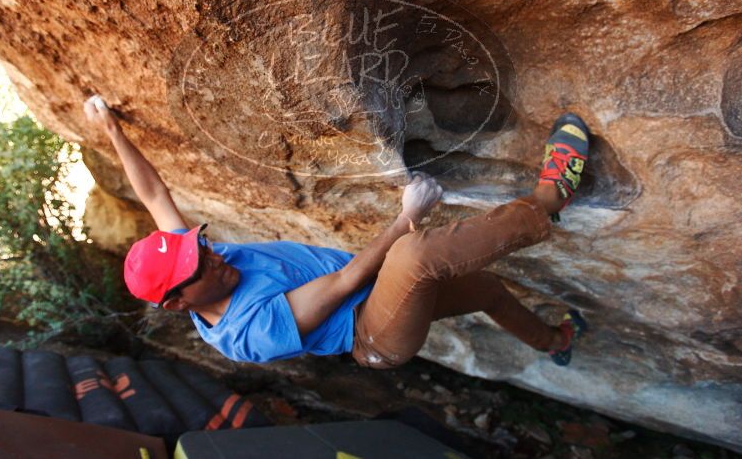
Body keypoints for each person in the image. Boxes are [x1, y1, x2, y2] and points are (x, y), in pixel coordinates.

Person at [84, 95, 589, 368]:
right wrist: (406, 215)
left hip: (369, 293)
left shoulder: (200, 268)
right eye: (199, 265)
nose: (213, 254)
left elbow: (154, 196)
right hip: (373, 330)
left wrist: (111, 130)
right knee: (413, 255)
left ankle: (553, 342)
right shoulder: (250, 334)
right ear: (177, 301)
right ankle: (549, 200)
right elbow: (346, 283)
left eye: (201, 246)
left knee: (488, 292)